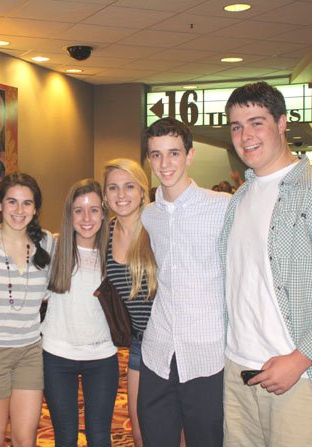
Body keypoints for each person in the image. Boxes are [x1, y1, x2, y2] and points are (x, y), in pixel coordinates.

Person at [221, 81, 312, 446]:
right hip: (238, 369)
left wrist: (300, 359)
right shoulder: (239, 198)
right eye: (237, 126)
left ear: (282, 123)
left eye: (257, 122)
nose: (246, 135)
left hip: (298, 377)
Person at [138, 117, 229, 447]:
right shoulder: (150, 215)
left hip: (206, 354)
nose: (165, 164)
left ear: (190, 156)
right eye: (156, 154)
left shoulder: (223, 208)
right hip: (158, 352)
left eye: (174, 153)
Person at [0, 172, 53, 447]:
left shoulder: (47, 243)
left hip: (30, 352)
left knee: (25, 438)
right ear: (0, 205)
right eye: (12, 202)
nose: (20, 210)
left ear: (35, 208)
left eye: (27, 203)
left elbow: (53, 289)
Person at [42, 179, 117, 446]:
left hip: (102, 356)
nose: (86, 218)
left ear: (104, 213)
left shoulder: (113, 253)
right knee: (65, 436)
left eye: (94, 210)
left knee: (99, 436)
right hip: (57, 356)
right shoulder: (52, 247)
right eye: (78, 210)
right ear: (69, 214)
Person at [102, 159, 157, 447]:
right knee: (138, 432)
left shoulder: (157, 225)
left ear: (142, 190)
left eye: (129, 186)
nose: (121, 195)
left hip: (171, 342)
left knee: (177, 430)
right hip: (138, 344)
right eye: (113, 187)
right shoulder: (105, 233)